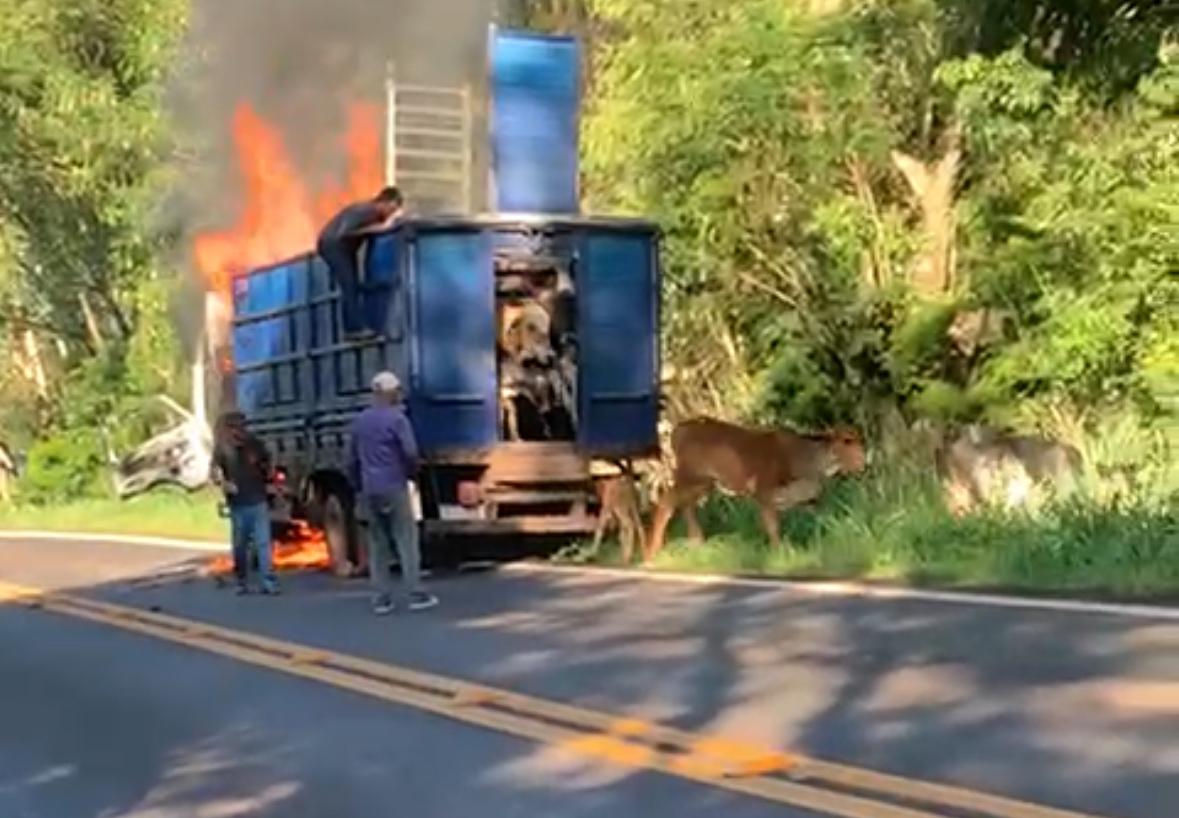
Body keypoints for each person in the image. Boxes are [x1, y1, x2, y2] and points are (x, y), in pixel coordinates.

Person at [347, 371, 437, 615]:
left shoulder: (360, 421)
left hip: (370, 489)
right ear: (393, 393)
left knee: (378, 545)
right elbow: (410, 452)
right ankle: (416, 594)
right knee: (406, 540)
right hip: (394, 486)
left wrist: (358, 485)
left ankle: (381, 598)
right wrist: (412, 473)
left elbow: (351, 459)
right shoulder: (398, 420)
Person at [316, 186, 405, 340]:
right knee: (349, 285)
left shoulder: (374, 214)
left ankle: (354, 325)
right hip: (333, 246)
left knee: (353, 285)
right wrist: (378, 229)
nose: (391, 213)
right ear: (384, 202)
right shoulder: (366, 211)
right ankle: (354, 328)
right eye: (392, 208)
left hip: (344, 248)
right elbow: (344, 232)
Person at [210, 411, 279, 596]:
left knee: (263, 543)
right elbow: (214, 472)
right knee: (240, 545)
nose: (239, 431)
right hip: (238, 504)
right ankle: (241, 581)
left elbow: (269, 461)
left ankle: (268, 582)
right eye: (234, 427)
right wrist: (224, 483)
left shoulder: (255, 445)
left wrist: (270, 476)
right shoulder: (223, 449)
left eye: (242, 427)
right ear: (229, 429)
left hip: (258, 499)